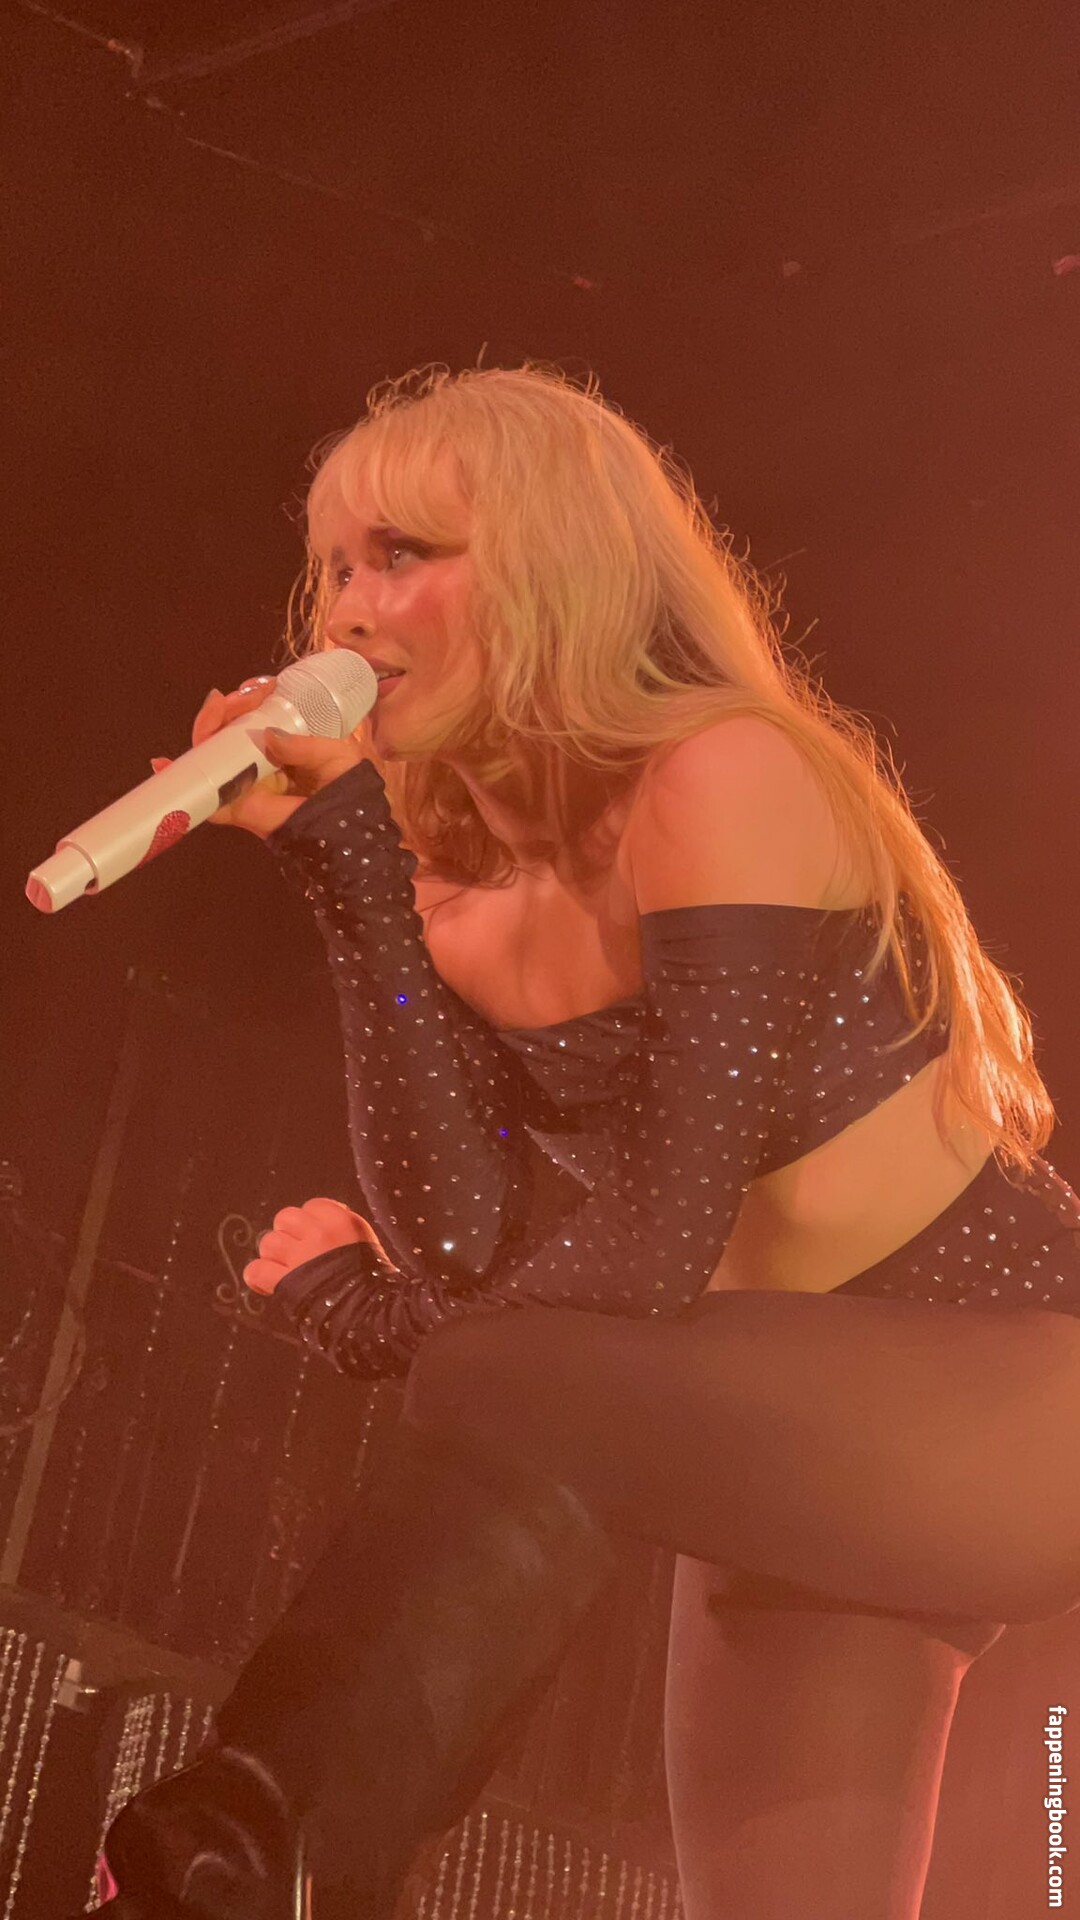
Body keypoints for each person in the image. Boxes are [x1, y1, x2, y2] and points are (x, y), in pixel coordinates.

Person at [79, 362, 1080, 1920]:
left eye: (402, 556)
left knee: (507, 1371)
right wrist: (351, 870)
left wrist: (386, 1324)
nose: (349, 610)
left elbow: (645, 1257)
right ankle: (260, 1860)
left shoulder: (723, 773)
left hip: (1012, 1408)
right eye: (335, 567)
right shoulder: (462, 892)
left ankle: (249, 1847)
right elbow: (475, 1247)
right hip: (784, 1461)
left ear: (555, 568)